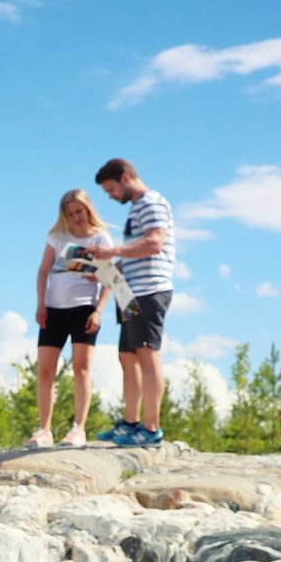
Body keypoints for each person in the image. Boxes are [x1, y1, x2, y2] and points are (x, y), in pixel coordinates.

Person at [88, 157, 175, 445]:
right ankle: (130, 422)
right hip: (130, 293)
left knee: (147, 355)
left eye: (111, 189)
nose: (111, 196)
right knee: (127, 355)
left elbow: (154, 243)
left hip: (150, 290)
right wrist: (100, 272)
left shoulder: (151, 203)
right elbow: (133, 257)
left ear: (125, 178)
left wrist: (112, 251)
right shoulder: (137, 208)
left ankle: (151, 429)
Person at [28, 188, 116, 447]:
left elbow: (110, 279)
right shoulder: (57, 237)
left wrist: (98, 311)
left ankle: (79, 428)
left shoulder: (101, 238)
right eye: (70, 213)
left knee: (81, 368)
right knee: (45, 370)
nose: (76, 217)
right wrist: (41, 304)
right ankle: (44, 429)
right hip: (53, 309)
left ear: (88, 209)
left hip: (84, 308)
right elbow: (43, 271)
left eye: (79, 211)